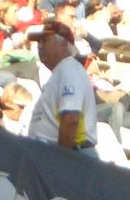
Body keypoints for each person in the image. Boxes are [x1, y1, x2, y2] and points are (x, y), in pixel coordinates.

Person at [27, 20, 97, 154]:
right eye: (39, 42)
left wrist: (62, 159)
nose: (40, 46)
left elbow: (71, 118)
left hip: (73, 155)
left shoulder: (69, 69)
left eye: (45, 40)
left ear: (63, 43)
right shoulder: (63, 70)